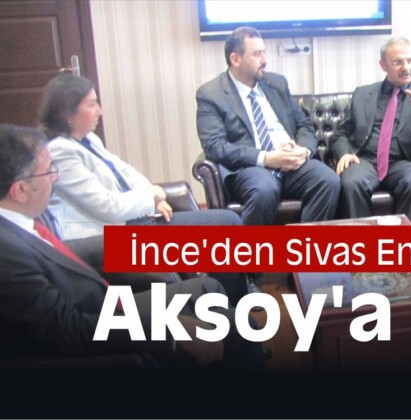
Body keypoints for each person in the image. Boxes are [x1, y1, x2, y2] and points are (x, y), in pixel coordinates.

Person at [0, 124, 266, 369]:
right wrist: (166, 331)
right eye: (49, 172)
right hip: (99, 328)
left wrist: (133, 245)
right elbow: (69, 330)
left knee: (209, 288)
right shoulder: (7, 255)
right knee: (239, 328)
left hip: (102, 305)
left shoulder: (19, 222)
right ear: (20, 190)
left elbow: (68, 253)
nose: (55, 179)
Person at [39, 73, 249, 305]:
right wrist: (151, 198)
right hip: (105, 240)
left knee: (227, 223)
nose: (99, 111)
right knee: (225, 225)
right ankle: (234, 306)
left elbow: (125, 171)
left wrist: (154, 193)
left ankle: (233, 302)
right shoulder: (61, 152)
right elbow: (107, 207)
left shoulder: (88, 140)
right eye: (91, 105)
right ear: (67, 114)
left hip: (133, 220)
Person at [196, 26, 339, 225]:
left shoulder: (277, 83)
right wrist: (267, 158)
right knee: (264, 190)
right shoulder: (211, 94)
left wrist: (303, 151)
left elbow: (303, 124)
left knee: (328, 180)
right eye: (257, 54)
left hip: (292, 162)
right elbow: (215, 146)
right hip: (251, 167)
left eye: (264, 52)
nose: (265, 60)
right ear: (235, 59)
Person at [331, 37, 411, 224]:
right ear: (383, 65)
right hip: (365, 161)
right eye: (397, 62)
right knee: (351, 182)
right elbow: (341, 134)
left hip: (404, 162)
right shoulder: (362, 94)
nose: (406, 68)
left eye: (410, 61)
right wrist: (344, 153)